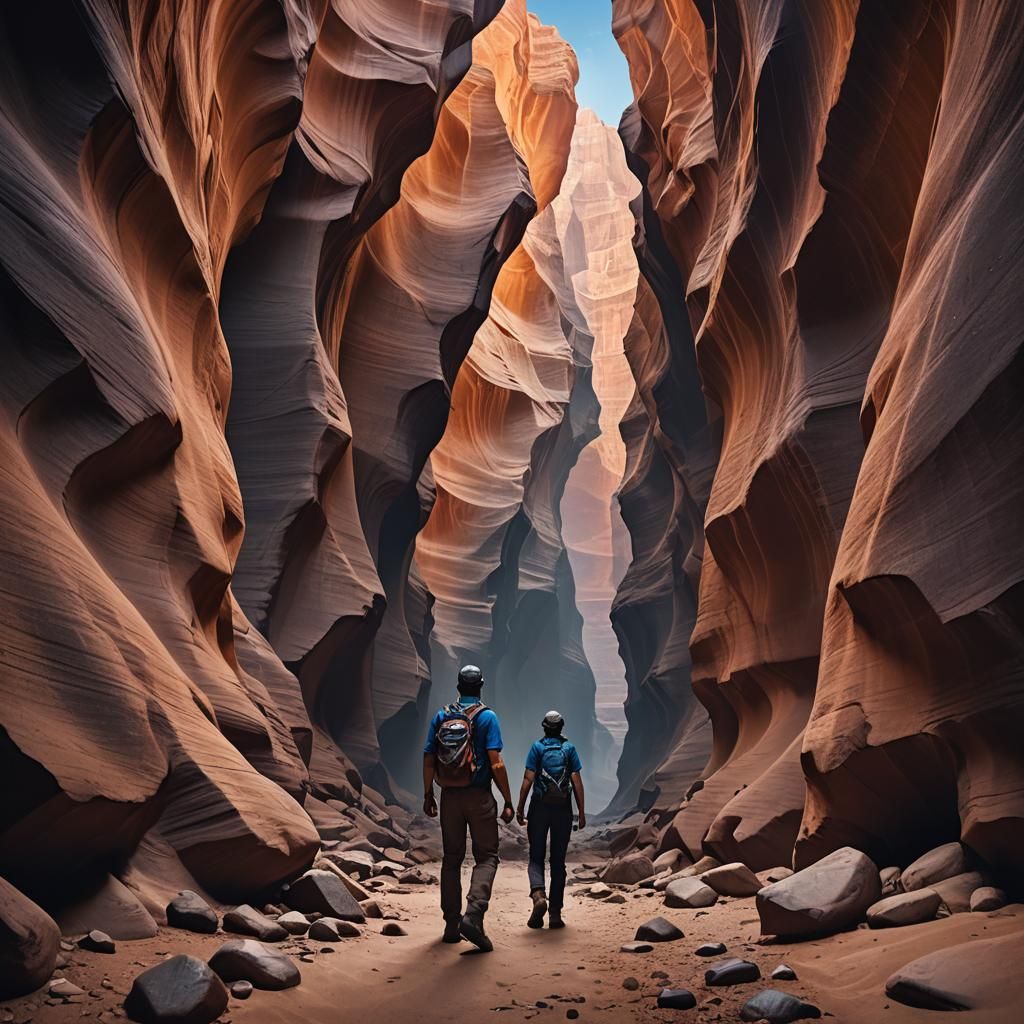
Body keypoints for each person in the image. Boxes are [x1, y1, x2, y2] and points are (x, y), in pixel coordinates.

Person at [423, 664, 515, 952]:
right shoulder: (487, 717)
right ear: (481, 685)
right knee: (487, 856)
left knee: (451, 859)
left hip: (449, 796)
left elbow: (428, 758)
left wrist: (429, 794)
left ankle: (452, 925)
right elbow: (495, 761)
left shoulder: (441, 716)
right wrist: (508, 799)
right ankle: (474, 915)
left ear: (458, 686)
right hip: (479, 795)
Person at [515, 710, 585, 929]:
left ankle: (538, 896)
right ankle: (555, 914)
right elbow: (576, 781)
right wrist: (581, 812)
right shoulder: (569, 749)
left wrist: (519, 807)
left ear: (544, 727)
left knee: (536, 856)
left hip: (539, 808)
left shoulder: (537, 748)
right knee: (558, 861)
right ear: (561, 727)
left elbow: (528, 779)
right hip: (562, 810)